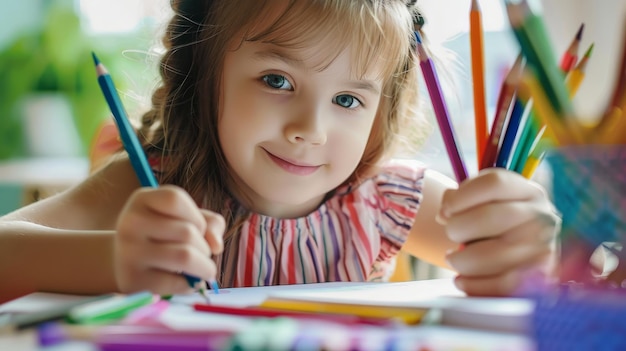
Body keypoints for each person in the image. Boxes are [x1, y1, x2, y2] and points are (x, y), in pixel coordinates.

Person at [0, 0, 560, 303]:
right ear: (203, 76)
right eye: (276, 80)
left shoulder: (386, 198)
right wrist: (113, 261)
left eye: (346, 98)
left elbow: (526, 261)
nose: (310, 129)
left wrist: (528, 247)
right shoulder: (152, 186)